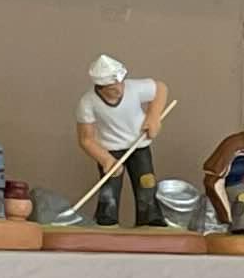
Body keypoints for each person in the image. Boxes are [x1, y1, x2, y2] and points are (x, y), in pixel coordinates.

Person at [74, 58, 173, 228]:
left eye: (120, 84)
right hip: (110, 150)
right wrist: (105, 159)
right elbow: (86, 139)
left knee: (146, 182)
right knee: (109, 187)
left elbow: (160, 88)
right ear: (101, 88)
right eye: (113, 89)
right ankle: (106, 219)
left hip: (139, 145)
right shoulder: (87, 103)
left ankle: (150, 217)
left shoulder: (133, 88)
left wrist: (153, 116)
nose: (119, 89)